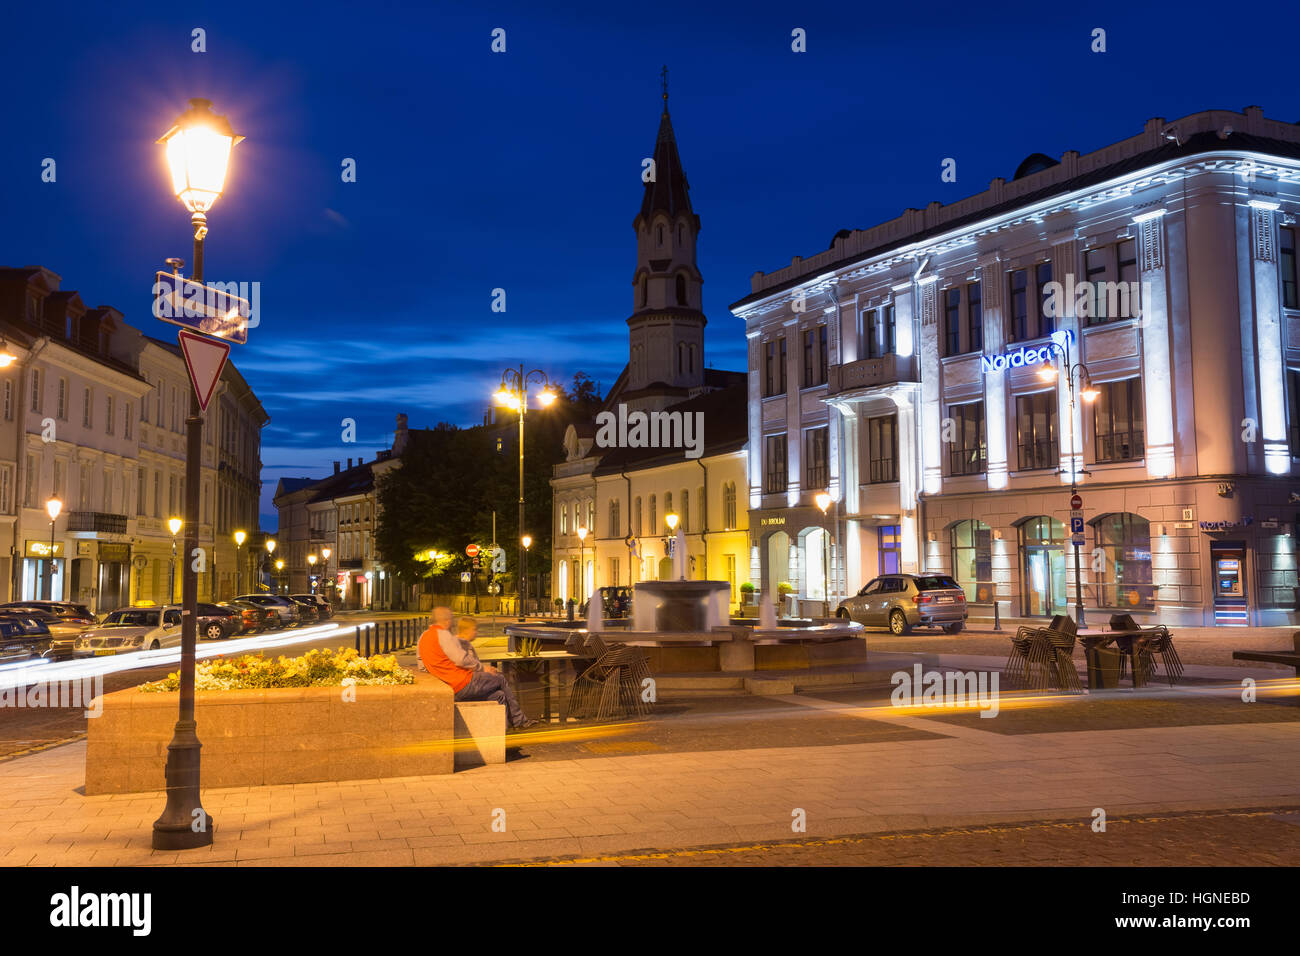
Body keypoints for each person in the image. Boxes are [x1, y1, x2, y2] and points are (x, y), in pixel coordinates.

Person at [418, 607, 535, 729]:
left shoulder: (423, 637)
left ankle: (503, 733)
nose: (452, 623)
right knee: (499, 678)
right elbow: (461, 659)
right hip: (463, 683)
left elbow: (421, 665)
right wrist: (483, 668)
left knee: (499, 695)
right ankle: (520, 721)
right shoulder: (443, 635)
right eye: (451, 619)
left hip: (451, 688)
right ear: (446, 620)